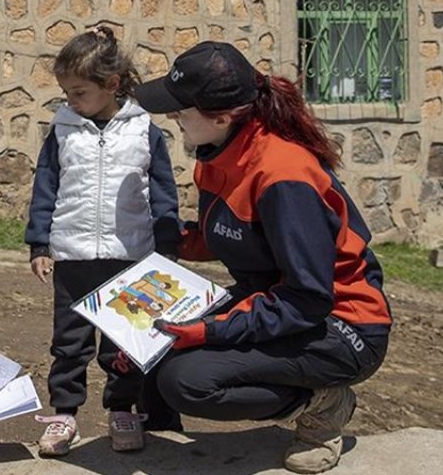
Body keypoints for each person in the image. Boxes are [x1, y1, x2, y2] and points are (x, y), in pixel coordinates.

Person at [132, 41, 392, 474]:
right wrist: (173, 242)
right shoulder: (219, 150)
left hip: (341, 326)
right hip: (277, 302)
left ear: (222, 114)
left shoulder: (283, 175)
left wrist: (211, 330)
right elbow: (235, 235)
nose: (172, 117)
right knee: (152, 342)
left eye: (180, 108)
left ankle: (323, 402)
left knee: (188, 382)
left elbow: (307, 298)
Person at [24, 26, 180, 457]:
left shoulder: (144, 129)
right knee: (69, 343)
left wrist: (167, 250)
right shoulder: (62, 128)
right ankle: (65, 414)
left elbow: (164, 193)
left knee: (122, 345)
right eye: (67, 92)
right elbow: (46, 188)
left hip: (129, 259)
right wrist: (40, 245)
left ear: (111, 85)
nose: (71, 101)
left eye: (79, 92)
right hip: (73, 256)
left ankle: (122, 409)